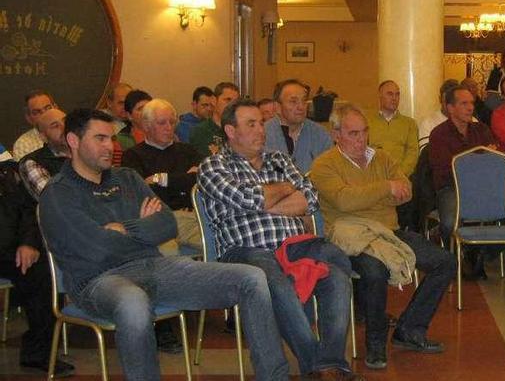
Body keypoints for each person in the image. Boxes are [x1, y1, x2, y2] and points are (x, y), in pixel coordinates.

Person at [40, 109, 292, 381]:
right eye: (100, 138)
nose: (110, 147)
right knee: (133, 302)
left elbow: (167, 226)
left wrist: (125, 228)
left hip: (156, 268)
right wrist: (141, 228)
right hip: (98, 281)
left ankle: (274, 377)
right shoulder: (58, 193)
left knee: (252, 277)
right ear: (73, 141)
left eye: (111, 139)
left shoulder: (127, 178)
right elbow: (98, 249)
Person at [198, 99, 362, 380]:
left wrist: (266, 199)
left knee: (337, 274)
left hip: (293, 246)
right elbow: (245, 198)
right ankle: (317, 366)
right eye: (251, 124)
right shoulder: (213, 166)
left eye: (261, 122)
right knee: (275, 280)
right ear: (230, 130)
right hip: (245, 251)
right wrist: (285, 189)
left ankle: (331, 361)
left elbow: (310, 198)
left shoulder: (279, 159)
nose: (261, 130)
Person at [311, 104, 455, 370]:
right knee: (375, 272)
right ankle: (375, 344)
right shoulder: (324, 165)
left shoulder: (382, 158)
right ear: (336, 134)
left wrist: (369, 192)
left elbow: (407, 191)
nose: (361, 139)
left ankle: (409, 329)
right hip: (352, 238)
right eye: (353, 134)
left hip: (389, 231)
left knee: (444, 261)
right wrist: (386, 187)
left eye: (364, 132)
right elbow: (344, 201)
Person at [1, 157, 74, 377]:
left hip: (10, 249)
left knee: (42, 273)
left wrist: (28, 243)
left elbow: (28, 209)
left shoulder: (7, 173)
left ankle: (39, 352)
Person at [122, 99, 202, 253]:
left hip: (192, 217)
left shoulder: (187, 150)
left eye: (172, 122)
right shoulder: (133, 156)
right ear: (146, 126)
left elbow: (200, 181)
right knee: (169, 254)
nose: (169, 128)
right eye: (162, 123)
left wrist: (161, 179)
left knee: (221, 244)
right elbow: (143, 194)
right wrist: (184, 179)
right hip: (158, 219)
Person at [429, 85, 499, 243]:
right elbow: (444, 173)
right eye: (464, 103)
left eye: (472, 103)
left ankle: (478, 256)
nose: (470, 108)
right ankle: (455, 258)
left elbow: (496, 163)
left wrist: (474, 162)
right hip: (451, 189)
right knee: (449, 223)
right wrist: (479, 160)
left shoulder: (482, 130)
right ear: (450, 108)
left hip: (482, 188)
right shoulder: (439, 135)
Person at [264, 79, 333, 174]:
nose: (301, 107)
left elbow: (329, 172)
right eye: (293, 102)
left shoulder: (321, 134)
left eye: (304, 101)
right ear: (277, 107)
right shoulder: (262, 134)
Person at [367, 80, 419, 178]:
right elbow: (362, 150)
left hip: (401, 177)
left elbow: (412, 153)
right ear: (380, 96)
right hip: (373, 177)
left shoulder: (409, 123)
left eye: (397, 94)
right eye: (390, 94)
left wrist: (400, 174)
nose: (394, 98)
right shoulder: (367, 122)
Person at [19, 109, 68, 200]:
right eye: (55, 126)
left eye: (66, 121)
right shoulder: (32, 162)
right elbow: (56, 201)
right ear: (44, 137)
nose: (64, 127)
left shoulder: (87, 150)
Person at [190, 82, 240, 158]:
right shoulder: (201, 131)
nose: (232, 105)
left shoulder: (240, 131)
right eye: (227, 100)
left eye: (235, 102)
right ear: (214, 101)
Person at [13, 90, 57, 161]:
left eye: (48, 108)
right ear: (29, 118)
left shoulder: (71, 132)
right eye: (37, 112)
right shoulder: (23, 144)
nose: (45, 114)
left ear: (56, 108)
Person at [418, 79, 460, 147]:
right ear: (440, 99)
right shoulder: (428, 124)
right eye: (446, 101)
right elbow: (425, 153)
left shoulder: (472, 122)